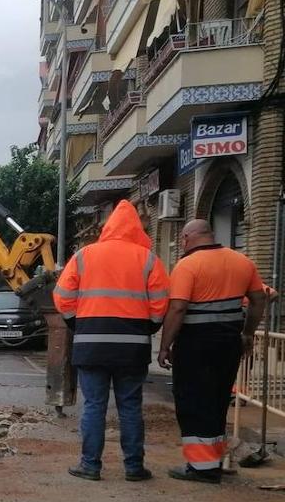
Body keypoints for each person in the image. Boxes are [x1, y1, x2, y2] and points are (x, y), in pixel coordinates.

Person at [54, 200, 170, 481]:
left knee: (94, 405)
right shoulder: (148, 259)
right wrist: (148, 330)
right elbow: (160, 305)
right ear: (137, 229)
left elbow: (62, 298)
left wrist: (77, 324)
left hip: (90, 345)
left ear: (108, 227)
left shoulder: (84, 255)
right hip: (132, 348)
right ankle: (134, 467)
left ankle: (90, 465)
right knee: (130, 406)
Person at [157, 219, 267, 483]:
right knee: (217, 400)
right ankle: (213, 461)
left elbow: (178, 308)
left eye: (182, 239)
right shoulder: (243, 261)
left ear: (187, 237)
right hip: (229, 343)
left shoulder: (187, 265)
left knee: (194, 401)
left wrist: (164, 345)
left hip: (196, 345)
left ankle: (201, 468)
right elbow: (259, 298)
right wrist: (248, 333)